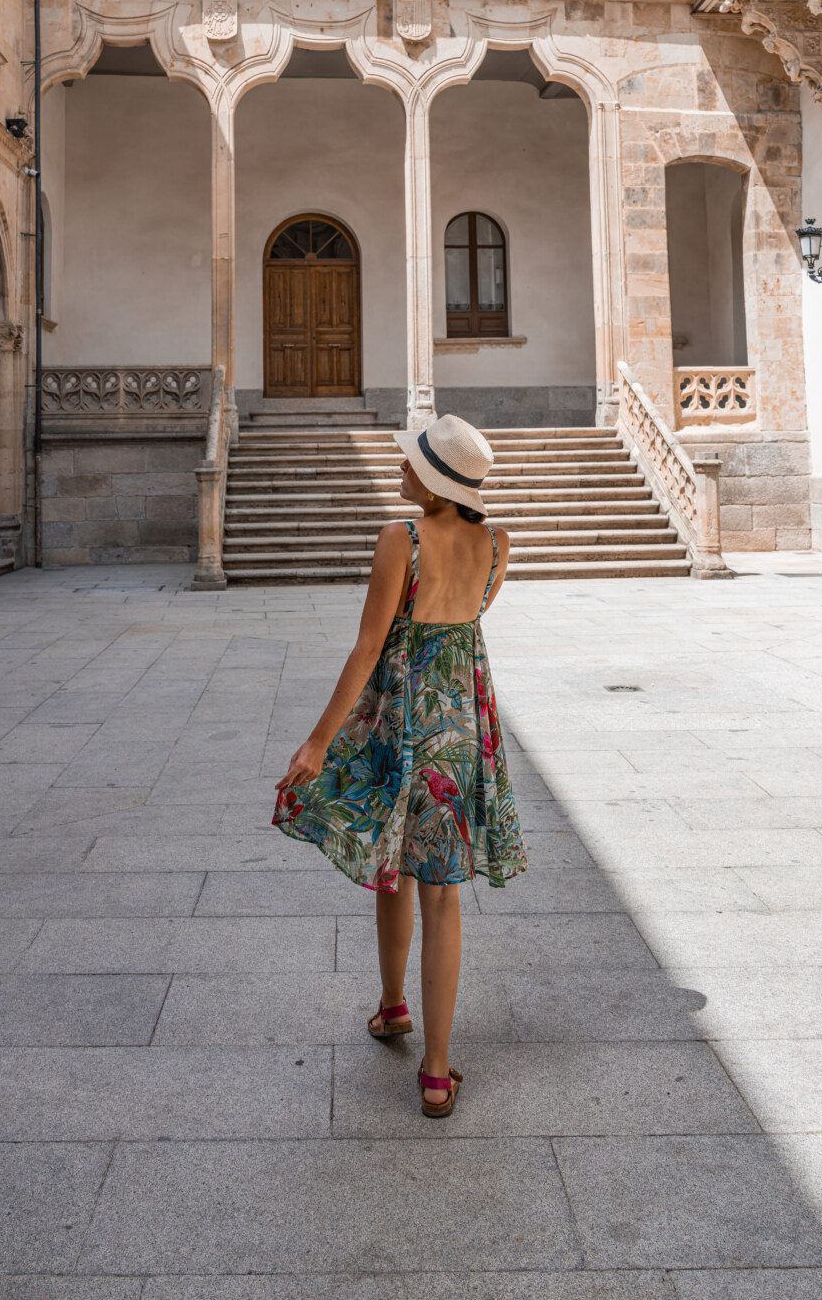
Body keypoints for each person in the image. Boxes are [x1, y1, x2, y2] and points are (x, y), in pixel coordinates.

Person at [273, 413, 527, 1117]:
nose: (402, 471)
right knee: (443, 893)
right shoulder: (499, 543)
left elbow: (368, 649)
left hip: (402, 725)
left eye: (413, 465)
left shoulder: (400, 539)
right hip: (463, 729)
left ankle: (393, 1007)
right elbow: (464, 626)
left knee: (394, 868)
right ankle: (438, 1072)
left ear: (438, 483)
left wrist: (318, 741)